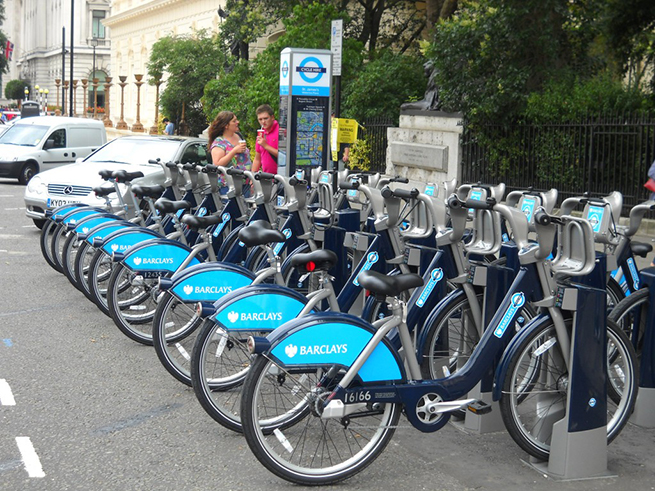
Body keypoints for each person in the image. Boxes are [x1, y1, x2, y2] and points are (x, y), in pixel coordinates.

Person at [207, 110, 252, 194]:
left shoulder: (239, 136)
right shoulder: (219, 142)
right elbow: (217, 164)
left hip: (245, 184)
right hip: (228, 186)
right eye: (234, 121)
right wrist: (234, 151)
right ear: (226, 125)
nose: (237, 122)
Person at [251, 104, 279, 174]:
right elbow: (257, 159)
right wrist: (252, 176)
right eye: (260, 119)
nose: (263, 122)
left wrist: (266, 146)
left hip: (280, 177)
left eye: (266, 118)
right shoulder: (261, 133)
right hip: (266, 176)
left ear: (272, 117)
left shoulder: (281, 131)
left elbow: (285, 156)